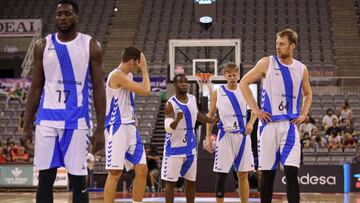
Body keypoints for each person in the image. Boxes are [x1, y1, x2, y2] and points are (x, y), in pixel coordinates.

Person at [22, 1, 106, 202]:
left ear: (77, 17)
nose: (62, 18)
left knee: (78, 182)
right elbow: (35, 87)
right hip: (47, 121)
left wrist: (101, 127)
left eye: (67, 13)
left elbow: (99, 88)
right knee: (45, 180)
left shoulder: (90, 45)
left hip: (76, 122)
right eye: (59, 14)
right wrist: (26, 126)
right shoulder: (43, 45)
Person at [239, 28, 312, 203]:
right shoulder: (266, 63)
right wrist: (255, 110)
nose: (278, 47)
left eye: (282, 44)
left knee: (291, 172)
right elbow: (244, 83)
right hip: (268, 126)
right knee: (267, 174)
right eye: (277, 44)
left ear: (292, 45)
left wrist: (303, 113)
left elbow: (308, 94)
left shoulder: (301, 69)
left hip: (290, 126)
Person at [103, 47, 150, 203]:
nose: (138, 67)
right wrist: (145, 70)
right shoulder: (116, 75)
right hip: (116, 127)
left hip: (130, 127)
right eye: (138, 64)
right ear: (132, 61)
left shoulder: (128, 74)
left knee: (142, 170)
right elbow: (146, 90)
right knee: (115, 173)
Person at [204, 63, 256, 203]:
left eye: (234, 75)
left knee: (243, 174)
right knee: (221, 174)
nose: (232, 78)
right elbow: (210, 115)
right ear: (224, 76)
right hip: (225, 136)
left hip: (242, 136)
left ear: (238, 75)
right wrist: (208, 137)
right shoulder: (218, 92)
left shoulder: (245, 89)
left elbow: (256, 111)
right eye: (229, 75)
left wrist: (250, 123)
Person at [162, 74, 217, 203]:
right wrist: (177, 120)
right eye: (181, 82)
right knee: (170, 183)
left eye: (186, 82)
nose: (184, 84)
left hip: (190, 148)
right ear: (175, 85)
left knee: (191, 181)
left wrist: (211, 120)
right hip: (174, 149)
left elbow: (197, 115)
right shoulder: (170, 104)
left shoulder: (192, 98)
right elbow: (168, 128)